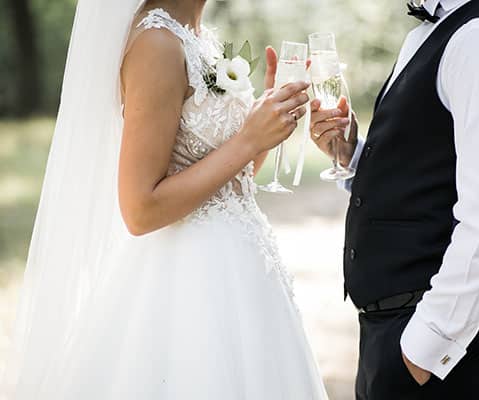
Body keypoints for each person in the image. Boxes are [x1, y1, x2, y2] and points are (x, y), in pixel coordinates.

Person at [1, 0, 328, 398]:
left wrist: (266, 126)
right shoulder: (156, 43)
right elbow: (139, 209)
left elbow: (226, 180)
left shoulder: (199, 37)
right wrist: (247, 140)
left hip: (244, 271)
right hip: (189, 287)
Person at [311, 0, 479, 398]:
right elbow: (428, 171)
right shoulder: (432, 33)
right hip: (391, 334)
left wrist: (422, 351)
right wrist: (353, 154)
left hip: (427, 342)